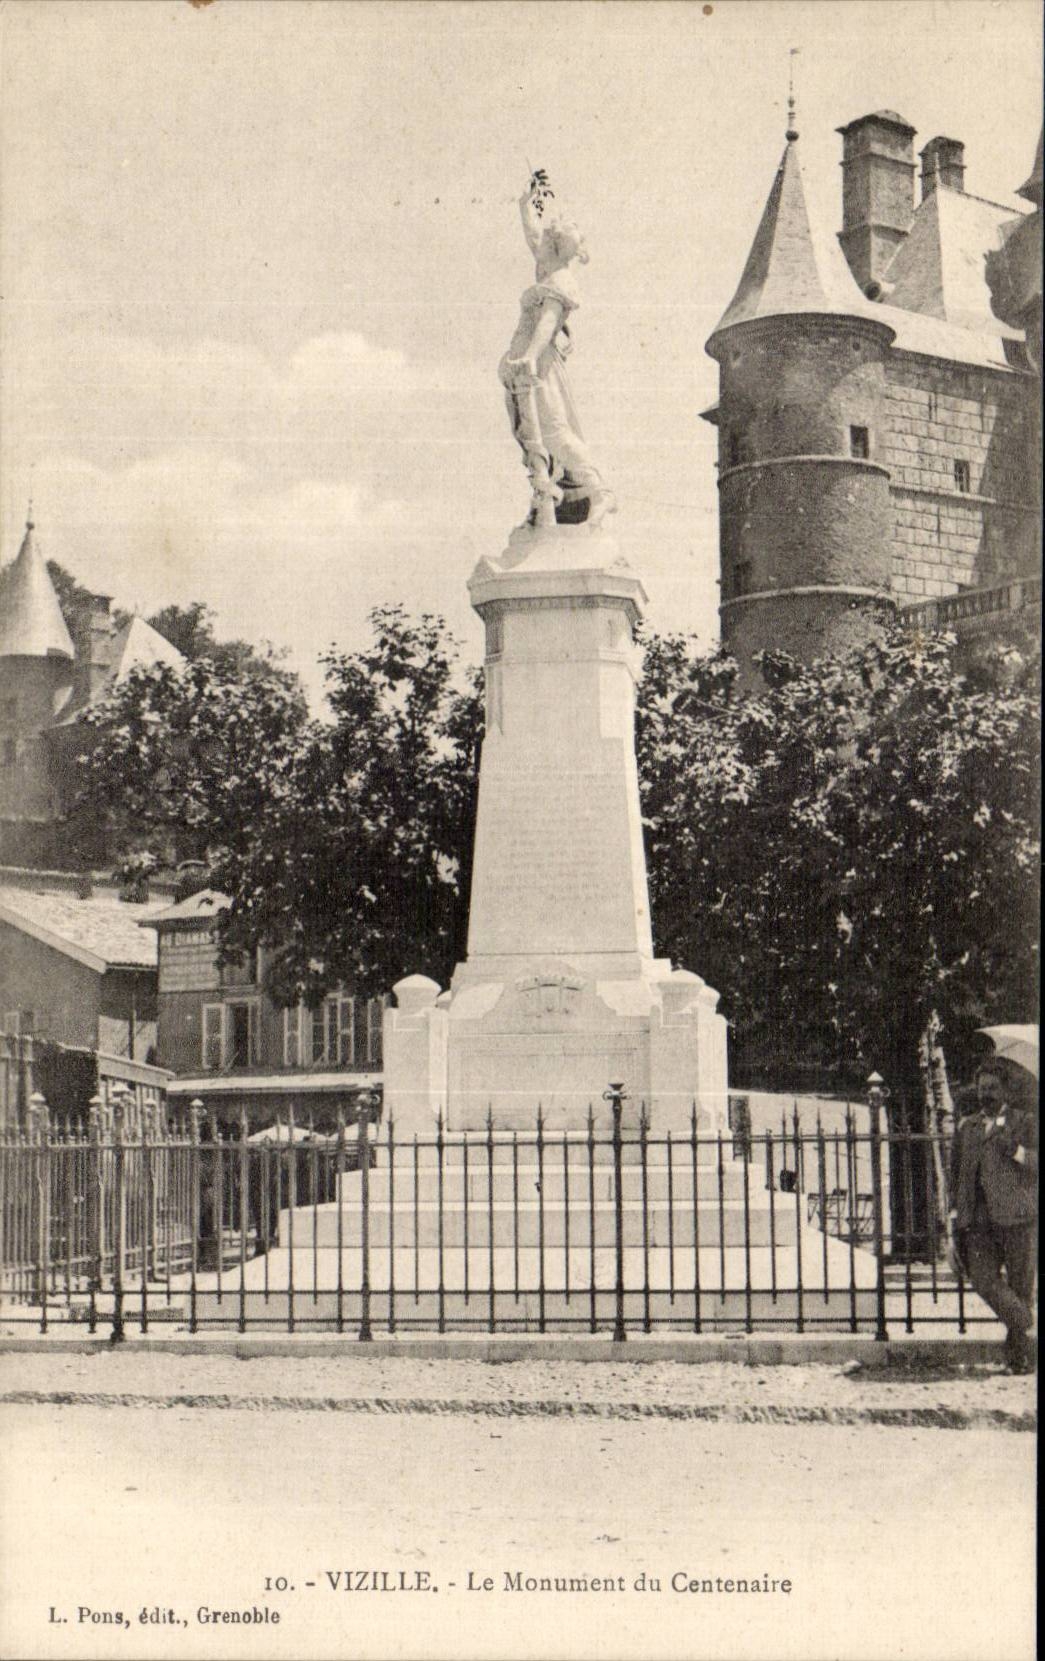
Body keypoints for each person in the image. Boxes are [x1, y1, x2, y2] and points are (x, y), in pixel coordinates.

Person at [499, 170, 616, 529]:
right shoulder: (547, 268)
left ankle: (599, 491)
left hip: (539, 363)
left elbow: (548, 324)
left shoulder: (563, 281)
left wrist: (530, 357)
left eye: (559, 235)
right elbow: (534, 234)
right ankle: (543, 499)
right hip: (522, 361)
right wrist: (525, 204)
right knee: (530, 435)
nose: (550, 236)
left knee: (553, 431)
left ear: (567, 246)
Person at [947, 1062, 1037, 1372]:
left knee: (1020, 1286)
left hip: (1018, 1218)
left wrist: (1015, 1150)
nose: (986, 1095)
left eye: (993, 1088)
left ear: (1006, 1091)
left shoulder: (1024, 1122)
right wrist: (955, 1212)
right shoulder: (968, 1126)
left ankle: (1019, 1358)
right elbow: (956, 1173)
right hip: (979, 1222)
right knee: (983, 1279)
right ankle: (1026, 1321)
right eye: (982, 1088)